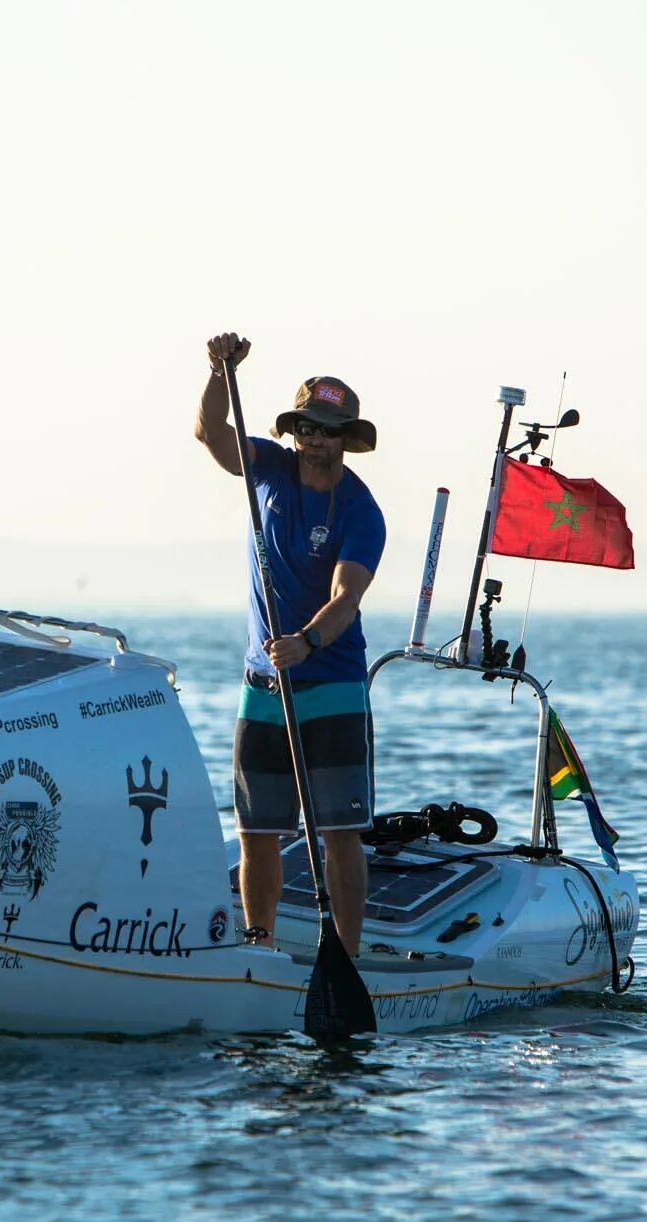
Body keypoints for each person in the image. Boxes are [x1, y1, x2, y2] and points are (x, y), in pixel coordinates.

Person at [194, 332, 386, 956]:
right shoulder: (268, 470)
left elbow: (346, 594)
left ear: (345, 438)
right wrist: (221, 373)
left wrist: (306, 641)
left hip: (330, 683)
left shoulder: (361, 511)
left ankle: (348, 957)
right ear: (294, 431)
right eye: (306, 427)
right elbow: (210, 435)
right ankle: (259, 948)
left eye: (329, 431)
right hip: (263, 686)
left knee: (338, 834)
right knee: (256, 833)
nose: (315, 440)